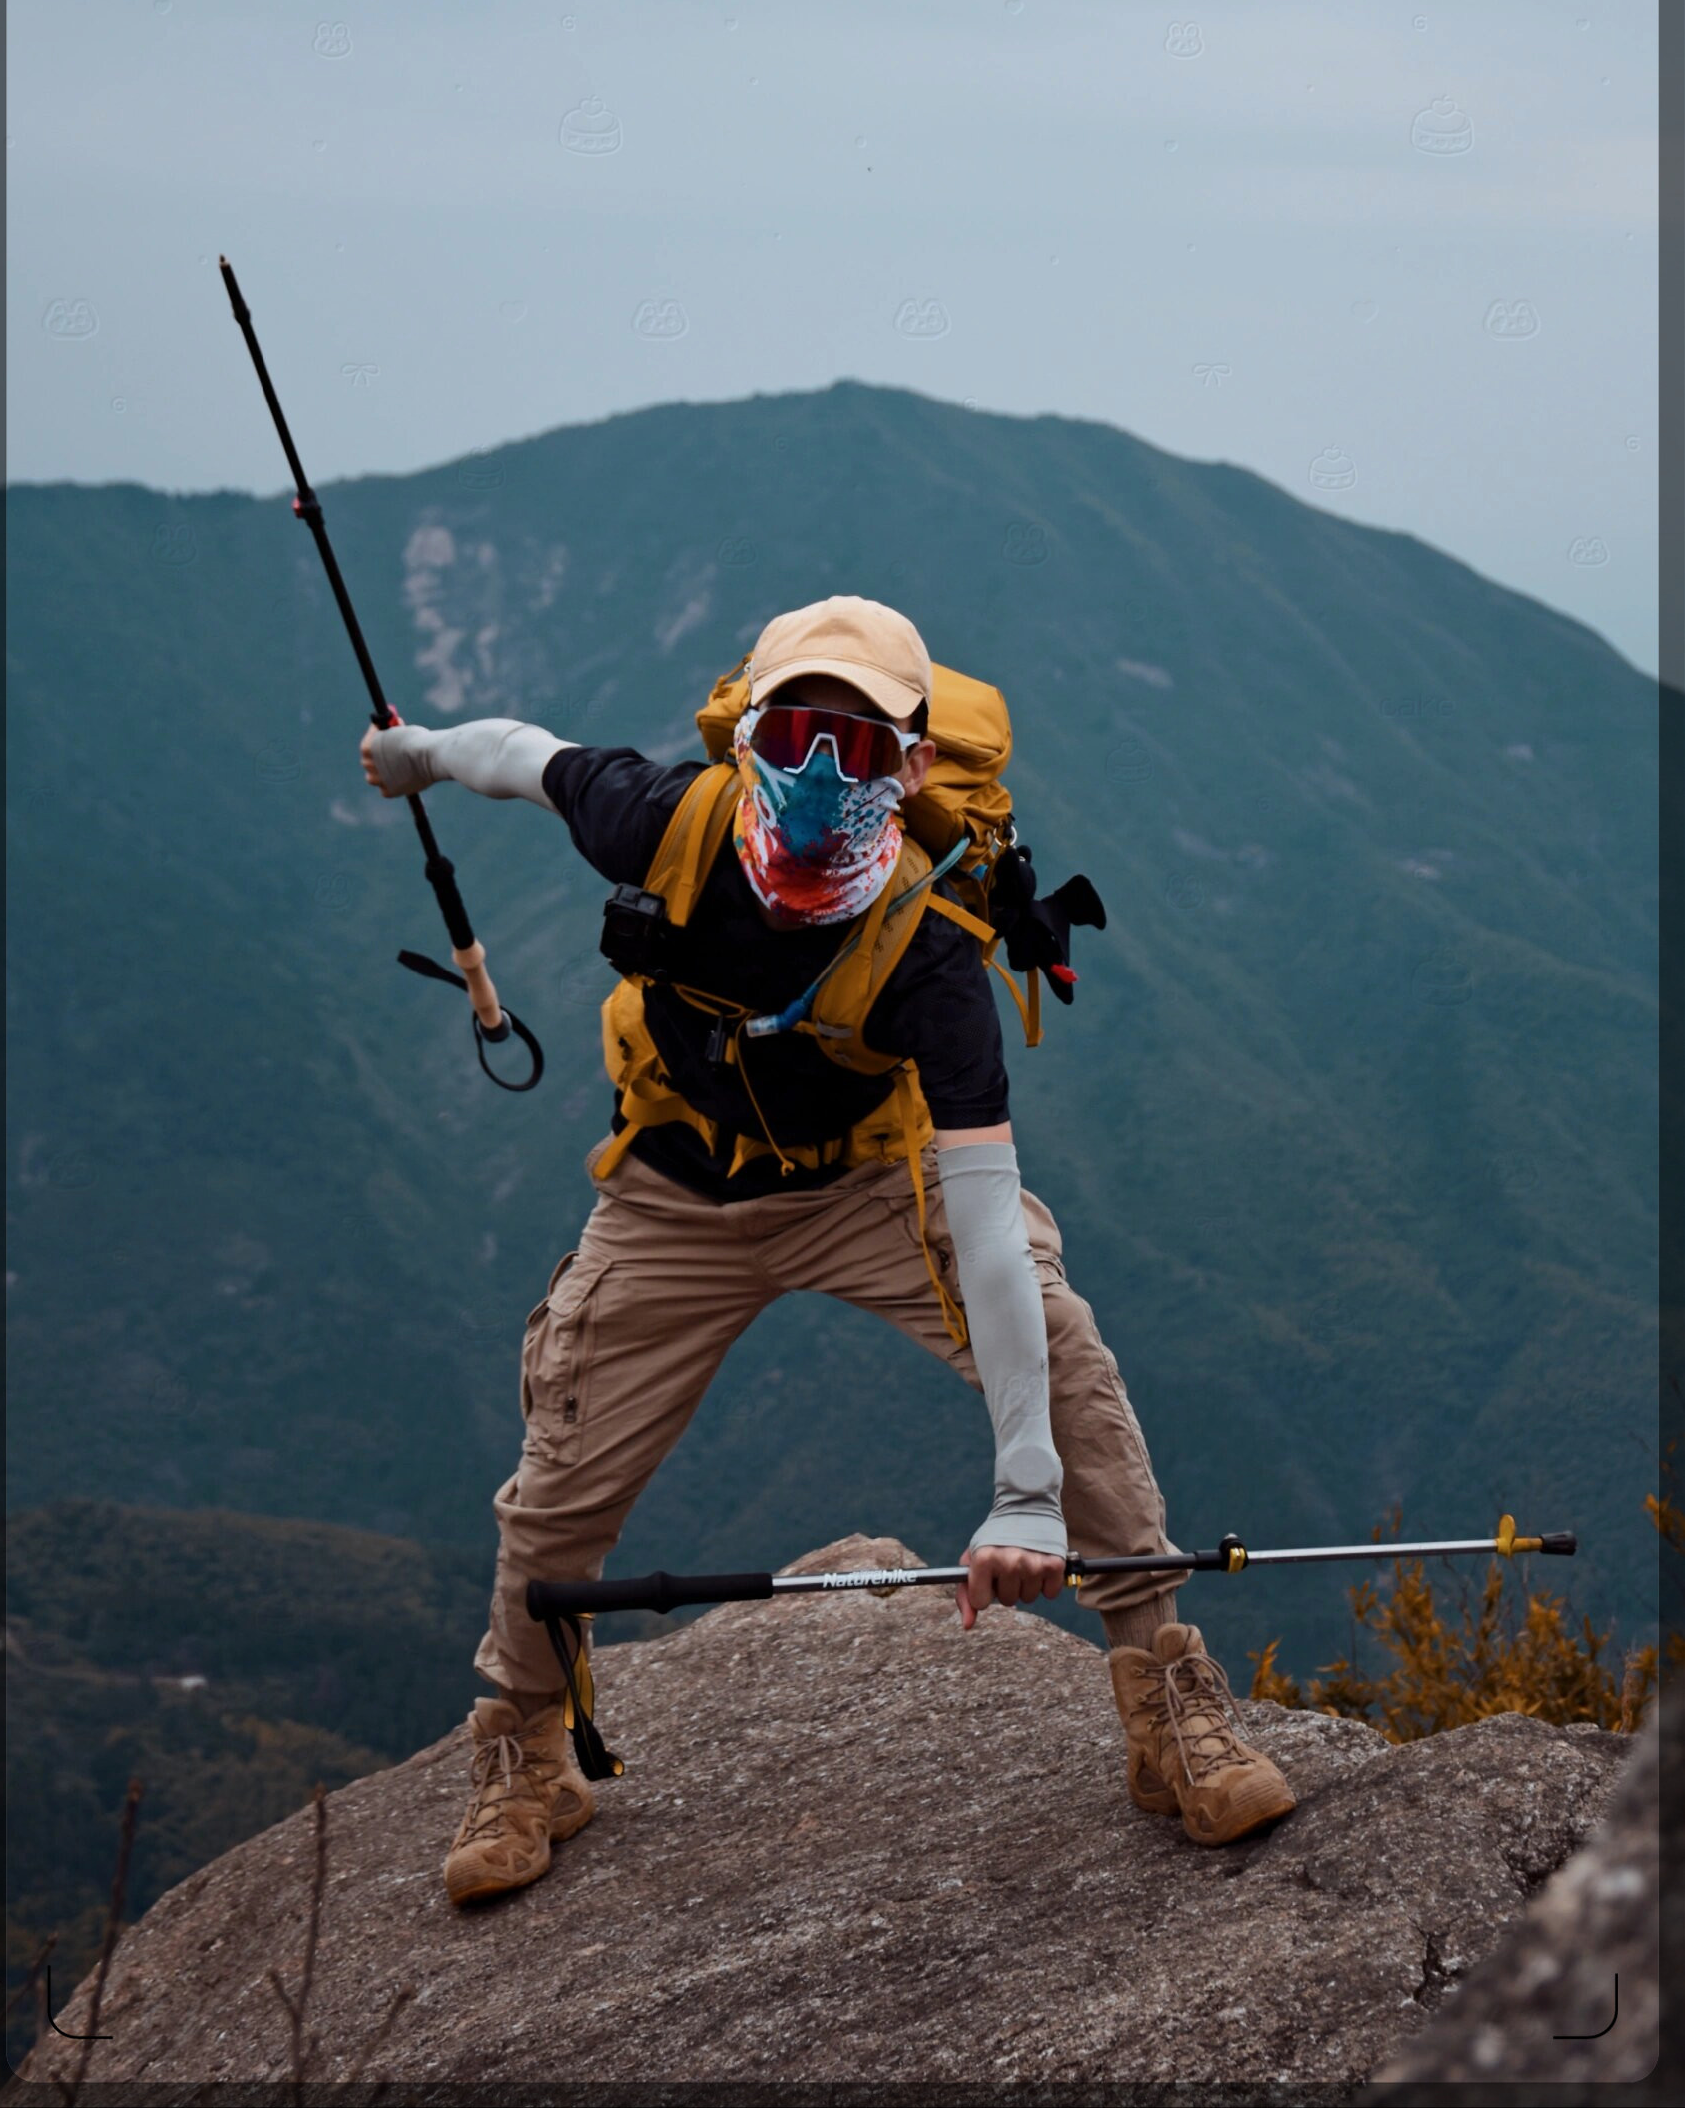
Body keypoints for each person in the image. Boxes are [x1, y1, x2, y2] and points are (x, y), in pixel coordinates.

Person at [360, 595, 1294, 1904]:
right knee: (559, 1483)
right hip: (678, 1190)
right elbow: (522, 755)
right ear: (746, 735)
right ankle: (522, 1746)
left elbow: (980, 1217)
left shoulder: (932, 956)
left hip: (871, 1178)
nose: (816, 768)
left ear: (911, 767)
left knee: (1062, 1358)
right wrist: (419, 753)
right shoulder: (663, 817)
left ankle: (1165, 1705)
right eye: (792, 729)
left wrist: (1023, 1491)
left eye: (855, 746)